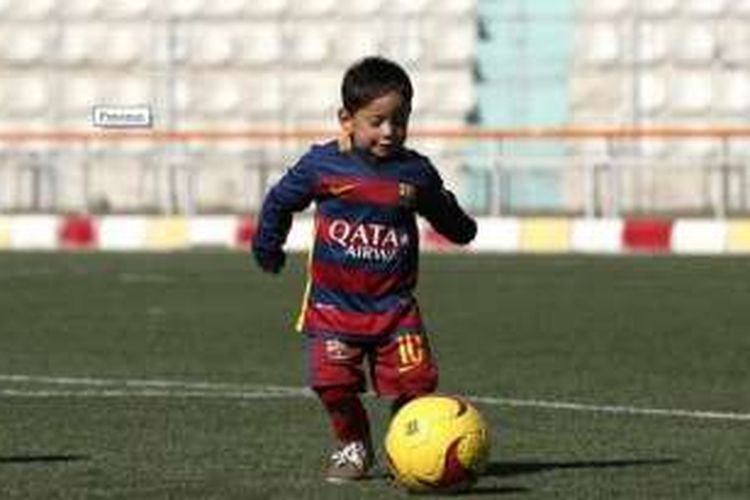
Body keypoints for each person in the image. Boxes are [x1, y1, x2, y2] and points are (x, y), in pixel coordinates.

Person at [252, 56, 477, 483]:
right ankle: (353, 443)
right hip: (334, 307)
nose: (389, 132)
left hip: (394, 308)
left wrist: (462, 229)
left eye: (400, 120)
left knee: (416, 385)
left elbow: (445, 213)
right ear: (347, 119)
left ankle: (407, 444)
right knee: (332, 383)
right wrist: (268, 247)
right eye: (377, 121)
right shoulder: (322, 165)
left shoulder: (416, 172)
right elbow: (280, 200)